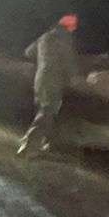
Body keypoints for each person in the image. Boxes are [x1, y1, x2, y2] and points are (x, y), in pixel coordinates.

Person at [18, 12, 79, 156]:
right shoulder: (64, 40)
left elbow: (28, 52)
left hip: (39, 78)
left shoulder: (45, 37)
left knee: (45, 111)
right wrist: (72, 78)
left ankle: (48, 144)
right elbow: (69, 63)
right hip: (54, 80)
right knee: (47, 112)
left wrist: (43, 58)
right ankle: (28, 144)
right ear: (69, 27)